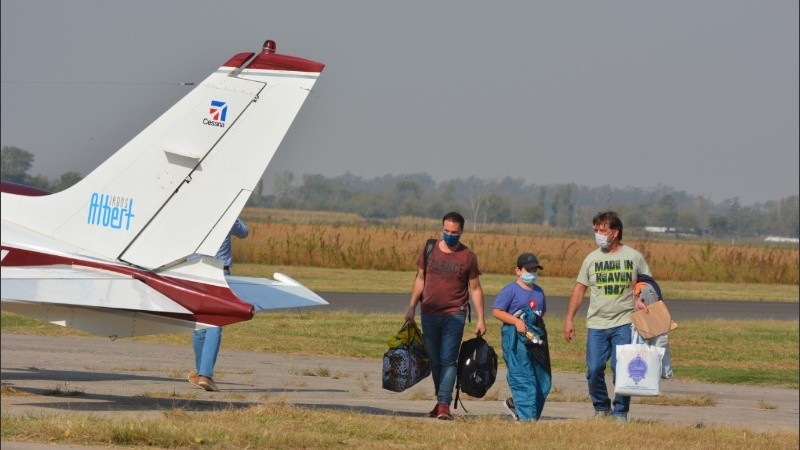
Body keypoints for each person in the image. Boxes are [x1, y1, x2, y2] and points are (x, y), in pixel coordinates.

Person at [563, 211, 650, 421]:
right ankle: (601, 407)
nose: (598, 234)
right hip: (597, 324)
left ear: (615, 232)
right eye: (596, 230)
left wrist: (642, 299)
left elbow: (646, 284)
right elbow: (579, 289)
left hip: (624, 323)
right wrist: (569, 318)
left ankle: (620, 411)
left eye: (602, 230)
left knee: (621, 370)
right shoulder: (591, 259)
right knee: (593, 369)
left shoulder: (634, 257)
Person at [404, 211, 486, 420]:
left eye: (454, 232)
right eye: (446, 231)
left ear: (461, 232)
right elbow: (420, 278)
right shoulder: (430, 249)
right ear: (442, 229)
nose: (450, 235)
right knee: (435, 360)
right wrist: (412, 306)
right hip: (429, 312)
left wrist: (481, 318)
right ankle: (440, 399)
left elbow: (475, 288)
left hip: (455, 314)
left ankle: (443, 404)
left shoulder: (468, 256)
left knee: (448, 359)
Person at [188, 217, 249, 392]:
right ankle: (205, 375)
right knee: (215, 323)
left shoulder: (197, 213)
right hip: (219, 272)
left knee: (199, 323)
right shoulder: (227, 213)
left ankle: (201, 372)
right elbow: (244, 232)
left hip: (194, 271)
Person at [492, 252, 552, 421]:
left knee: (541, 379)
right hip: (515, 340)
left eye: (535, 269)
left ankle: (518, 406)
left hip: (536, 341)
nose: (532, 273)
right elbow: (497, 311)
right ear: (518, 271)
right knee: (524, 377)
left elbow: (541, 314)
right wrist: (516, 322)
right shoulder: (510, 290)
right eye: (528, 269)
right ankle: (527, 419)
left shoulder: (539, 292)